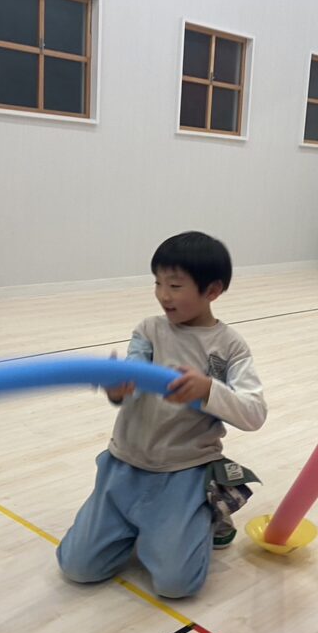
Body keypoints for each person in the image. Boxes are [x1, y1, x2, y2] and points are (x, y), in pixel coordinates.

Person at [56, 232, 267, 598]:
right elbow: (132, 378)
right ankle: (141, 526)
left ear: (212, 290)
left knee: (176, 585)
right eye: (157, 283)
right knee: (78, 567)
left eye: (175, 285)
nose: (163, 295)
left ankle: (206, 514)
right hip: (125, 465)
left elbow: (254, 413)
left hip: (184, 472)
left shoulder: (230, 347)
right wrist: (117, 388)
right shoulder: (149, 331)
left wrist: (208, 390)